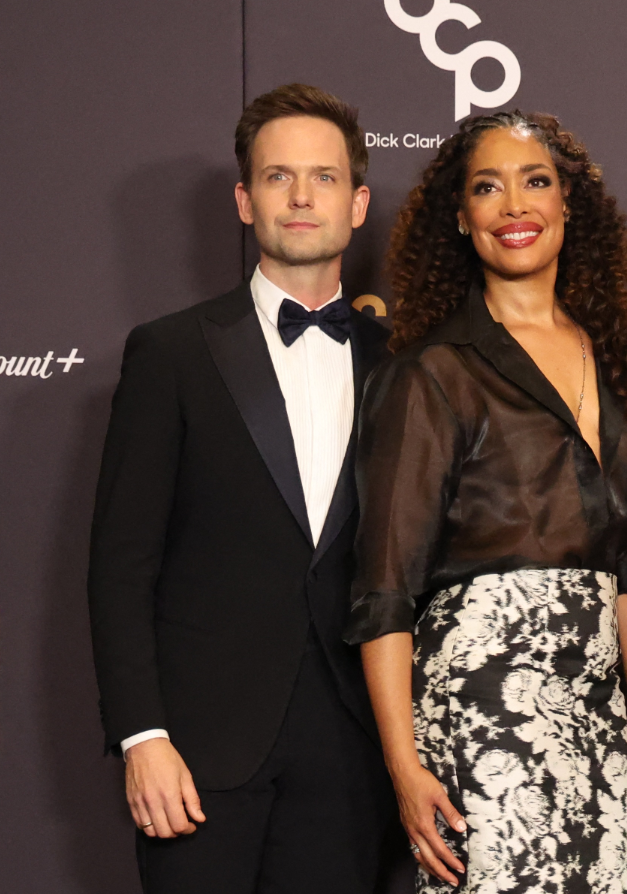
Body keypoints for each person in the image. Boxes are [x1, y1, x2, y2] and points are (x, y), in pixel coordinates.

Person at [87, 84, 395, 892]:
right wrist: (141, 736)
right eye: (277, 177)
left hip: (355, 752)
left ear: (358, 203)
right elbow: (121, 563)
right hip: (197, 753)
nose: (301, 197)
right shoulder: (172, 353)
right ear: (243, 198)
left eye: (324, 178)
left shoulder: (407, 364)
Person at [349, 110, 627, 894]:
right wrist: (404, 764)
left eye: (535, 182)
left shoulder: (615, 360)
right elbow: (384, 589)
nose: (514, 206)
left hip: (598, 715)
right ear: (461, 218)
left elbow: (626, 567)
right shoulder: (431, 373)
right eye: (487, 188)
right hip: (482, 715)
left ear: (568, 204)